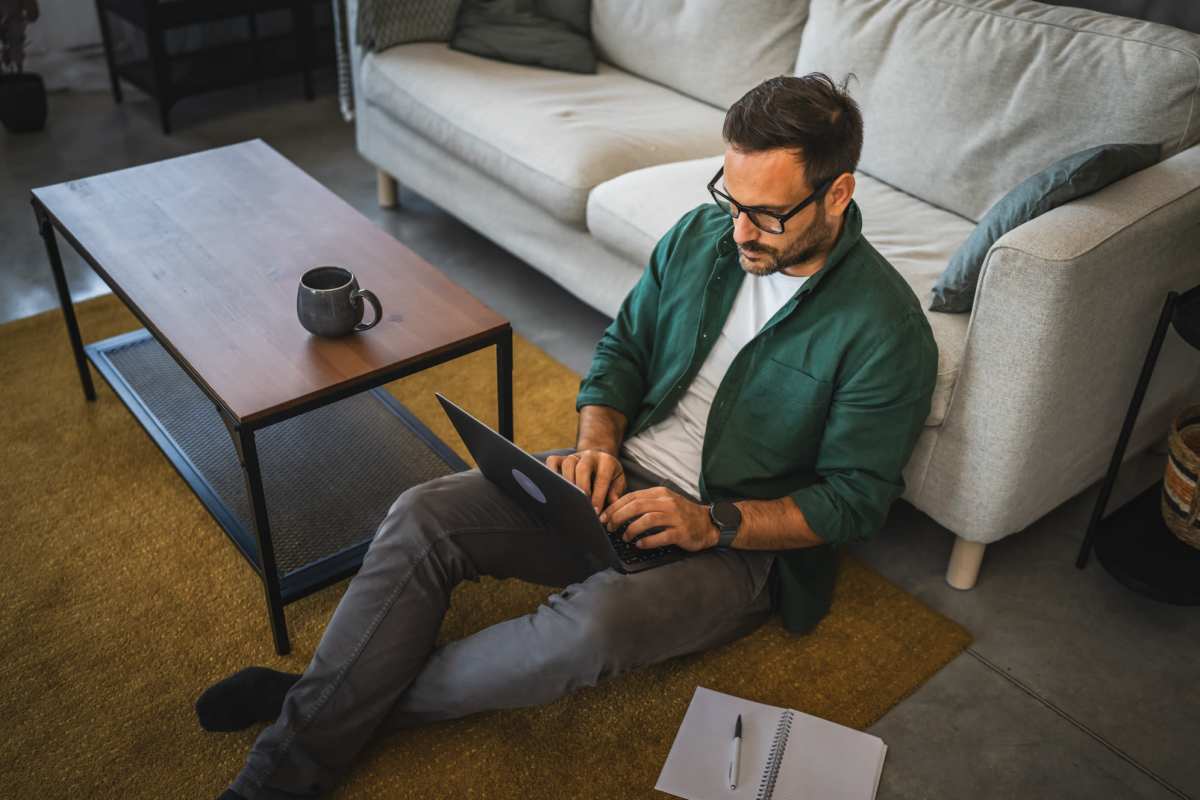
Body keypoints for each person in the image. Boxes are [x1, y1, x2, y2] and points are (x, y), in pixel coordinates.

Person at [202, 72, 938, 799]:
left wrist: (709, 521)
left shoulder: (886, 329)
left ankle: (313, 714)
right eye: (732, 200)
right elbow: (622, 352)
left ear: (838, 193)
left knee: (590, 630)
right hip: (618, 480)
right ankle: (331, 704)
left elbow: (855, 502)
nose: (740, 229)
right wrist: (596, 446)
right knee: (423, 513)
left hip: (736, 547)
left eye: (767, 215)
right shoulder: (702, 236)